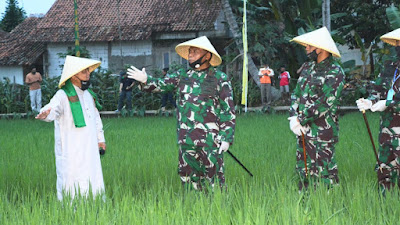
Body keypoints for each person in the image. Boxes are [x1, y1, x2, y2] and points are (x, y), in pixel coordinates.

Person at [127, 36, 235, 191]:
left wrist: (226, 138)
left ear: (207, 56)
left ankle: (218, 210)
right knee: (188, 179)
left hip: (211, 141)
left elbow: (228, 110)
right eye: (190, 51)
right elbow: (160, 86)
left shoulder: (219, 79)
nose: (190, 54)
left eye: (195, 51)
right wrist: (145, 80)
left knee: (214, 180)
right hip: (187, 138)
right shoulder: (182, 76)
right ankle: (192, 210)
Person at [35, 55, 106, 201]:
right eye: (83, 72)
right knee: (72, 181)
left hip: (90, 149)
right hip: (71, 149)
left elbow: (96, 119)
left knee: (93, 176)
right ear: (73, 76)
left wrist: (100, 139)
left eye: (88, 71)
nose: (88, 75)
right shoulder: (62, 95)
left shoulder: (89, 95)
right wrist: (46, 114)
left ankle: (94, 207)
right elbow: (53, 108)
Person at [289, 27, 345, 190]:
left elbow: (325, 103)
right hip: (303, 130)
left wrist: (301, 118)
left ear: (320, 48)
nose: (306, 49)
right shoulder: (307, 68)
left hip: (323, 132)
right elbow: (296, 93)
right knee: (304, 169)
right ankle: (304, 201)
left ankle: (328, 202)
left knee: (325, 171)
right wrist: (293, 116)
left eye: (309, 46)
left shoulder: (335, 72)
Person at [356, 28, 400, 195]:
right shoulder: (390, 66)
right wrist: (370, 101)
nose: (397, 45)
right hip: (388, 129)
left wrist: (389, 103)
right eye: (396, 42)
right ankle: (385, 204)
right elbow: (379, 89)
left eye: (399, 42)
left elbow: (390, 99)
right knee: (385, 166)